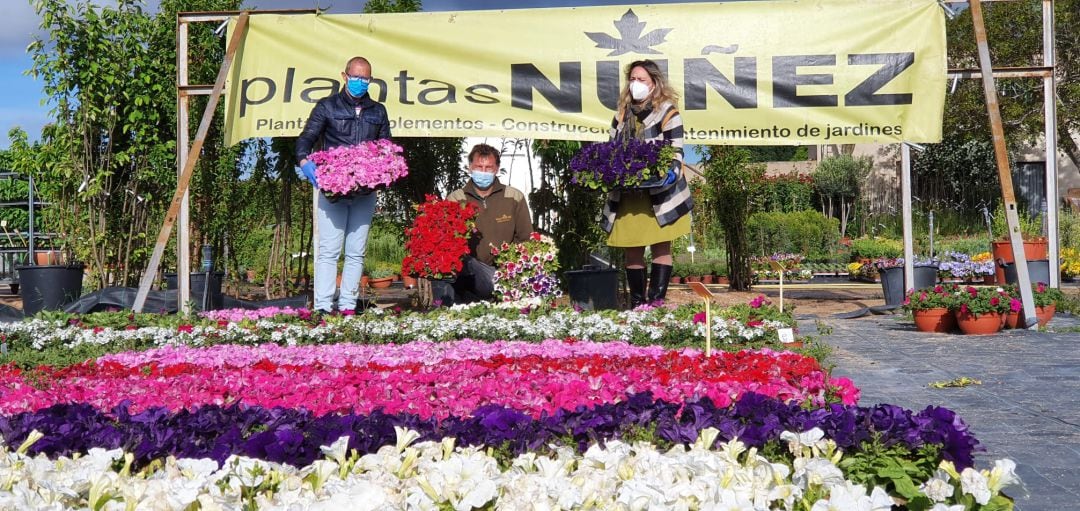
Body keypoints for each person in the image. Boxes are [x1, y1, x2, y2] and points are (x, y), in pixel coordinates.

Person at [295, 56, 391, 314]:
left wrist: (385, 170)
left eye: (366, 78)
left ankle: (348, 306)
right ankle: (324, 307)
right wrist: (304, 160)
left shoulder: (378, 110)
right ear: (344, 75)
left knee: (356, 252)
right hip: (333, 191)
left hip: (365, 192)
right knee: (328, 250)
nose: (360, 82)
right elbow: (307, 137)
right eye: (356, 76)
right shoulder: (327, 106)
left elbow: (386, 146)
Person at [601, 59, 693, 308]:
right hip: (629, 195)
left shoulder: (668, 112)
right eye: (632, 80)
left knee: (662, 248)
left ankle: (656, 302)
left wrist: (669, 173)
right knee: (633, 250)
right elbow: (610, 149)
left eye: (641, 80)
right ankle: (638, 304)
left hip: (661, 194)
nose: (635, 84)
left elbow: (676, 150)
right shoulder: (621, 115)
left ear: (654, 84)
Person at [445, 143, 534, 301]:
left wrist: (509, 265)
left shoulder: (514, 197)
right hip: (467, 276)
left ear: (497, 169)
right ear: (470, 168)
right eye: (479, 167)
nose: (483, 172)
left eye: (488, 168)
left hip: (506, 271)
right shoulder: (456, 199)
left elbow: (525, 238)